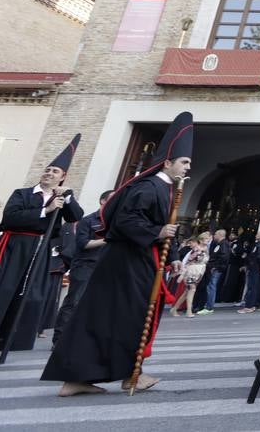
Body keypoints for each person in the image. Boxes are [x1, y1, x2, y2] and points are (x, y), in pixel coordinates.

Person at [42, 114, 193, 396]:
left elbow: (162, 227)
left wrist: (169, 250)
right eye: (184, 162)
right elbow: (125, 222)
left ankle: (114, 374)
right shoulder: (148, 187)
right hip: (127, 263)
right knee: (124, 317)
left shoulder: (165, 189)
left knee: (122, 317)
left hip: (138, 261)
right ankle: (109, 375)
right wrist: (158, 233)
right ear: (168, 161)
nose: (187, 167)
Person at [0, 134, 84, 354]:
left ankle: (14, 338)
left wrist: (68, 198)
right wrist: (45, 211)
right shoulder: (23, 194)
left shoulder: (61, 197)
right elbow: (9, 218)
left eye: (55, 171)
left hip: (41, 249)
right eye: (47, 169)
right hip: (15, 245)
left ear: (62, 177)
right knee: (5, 288)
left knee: (31, 293)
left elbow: (76, 216)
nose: (49, 173)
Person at [52, 189, 112, 344]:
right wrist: (108, 239)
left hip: (105, 268)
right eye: (112, 199)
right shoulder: (88, 220)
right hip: (85, 266)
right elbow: (83, 244)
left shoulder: (116, 222)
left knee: (97, 305)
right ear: (103, 201)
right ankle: (59, 340)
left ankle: (82, 339)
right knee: (74, 302)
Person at [170, 233, 210, 317]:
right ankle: (189, 311)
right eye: (206, 239)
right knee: (192, 289)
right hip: (191, 271)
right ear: (201, 240)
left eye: (208, 239)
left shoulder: (206, 248)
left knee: (187, 292)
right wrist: (182, 272)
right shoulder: (196, 249)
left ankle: (174, 309)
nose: (208, 240)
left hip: (199, 272)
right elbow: (189, 260)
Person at [200, 228, 228, 315]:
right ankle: (208, 305)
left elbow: (224, 257)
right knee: (211, 285)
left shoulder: (223, 244)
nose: (214, 236)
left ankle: (209, 307)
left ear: (220, 235)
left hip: (217, 268)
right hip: (215, 267)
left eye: (215, 234)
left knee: (211, 286)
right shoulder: (220, 244)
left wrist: (215, 267)